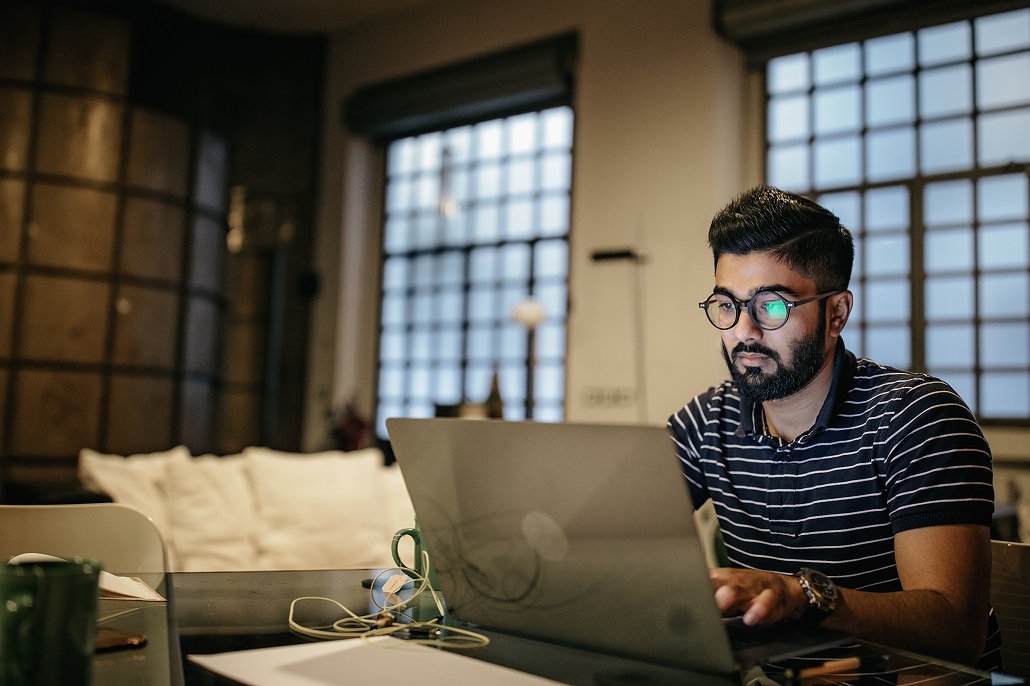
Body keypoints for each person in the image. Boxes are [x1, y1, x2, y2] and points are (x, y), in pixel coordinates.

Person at [668, 185, 1002, 671]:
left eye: (772, 306)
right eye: (727, 305)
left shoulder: (916, 418)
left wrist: (801, 596)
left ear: (837, 313)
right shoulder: (708, 421)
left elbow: (956, 631)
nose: (744, 331)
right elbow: (604, 533)